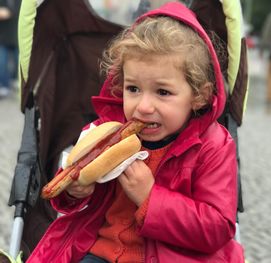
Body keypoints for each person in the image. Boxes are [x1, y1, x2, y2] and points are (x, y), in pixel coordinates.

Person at [26, 2, 245, 263]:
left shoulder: (212, 147)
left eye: (162, 92)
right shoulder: (106, 133)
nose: (143, 106)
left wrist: (150, 197)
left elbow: (216, 228)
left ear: (199, 96)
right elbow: (72, 191)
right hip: (101, 253)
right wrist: (75, 191)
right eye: (133, 89)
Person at [0, 0, 21, 98]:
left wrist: (9, 12)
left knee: (18, 61)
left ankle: (14, 79)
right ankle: (5, 85)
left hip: (17, 37)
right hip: (2, 38)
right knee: (2, 63)